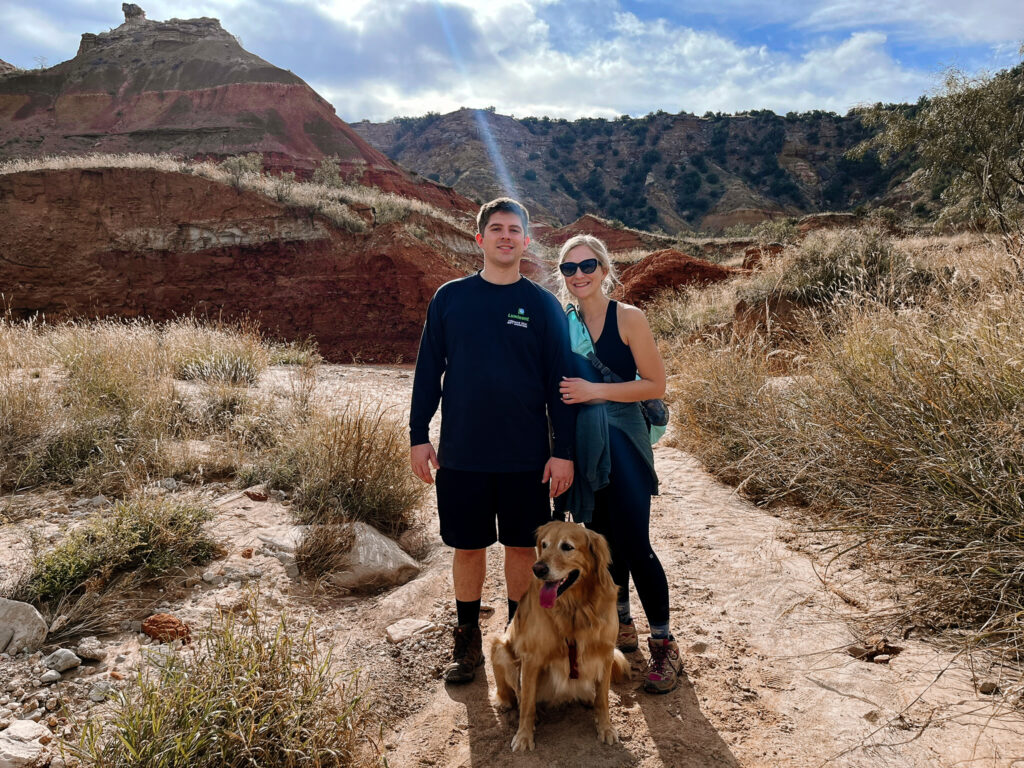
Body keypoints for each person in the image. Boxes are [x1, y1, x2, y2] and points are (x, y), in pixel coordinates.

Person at [409, 197, 575, 684]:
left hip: (527, 458)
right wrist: (419, 435)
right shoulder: (450, 299)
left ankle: (517, 641)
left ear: (527, 241)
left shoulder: (543, 306)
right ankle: (466, 645)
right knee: (468, 548)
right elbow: (427, 373)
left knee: (524, 552)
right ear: (479, 239)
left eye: (515, 230)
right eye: (496, 229)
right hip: (461, 456)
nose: (506, 236)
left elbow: (560, 387)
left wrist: (562, 451)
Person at [554, 233, 681, 694]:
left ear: (605, 270)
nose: (579, 275)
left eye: (587, 266)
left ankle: (665, 644)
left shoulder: (629, 318)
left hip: (624, 442)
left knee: (635, 544)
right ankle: (622, 626)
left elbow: (654, 384)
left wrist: (596, 392)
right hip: (586, 445)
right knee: (602, 546)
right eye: (569, 269)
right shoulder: (562, 320)